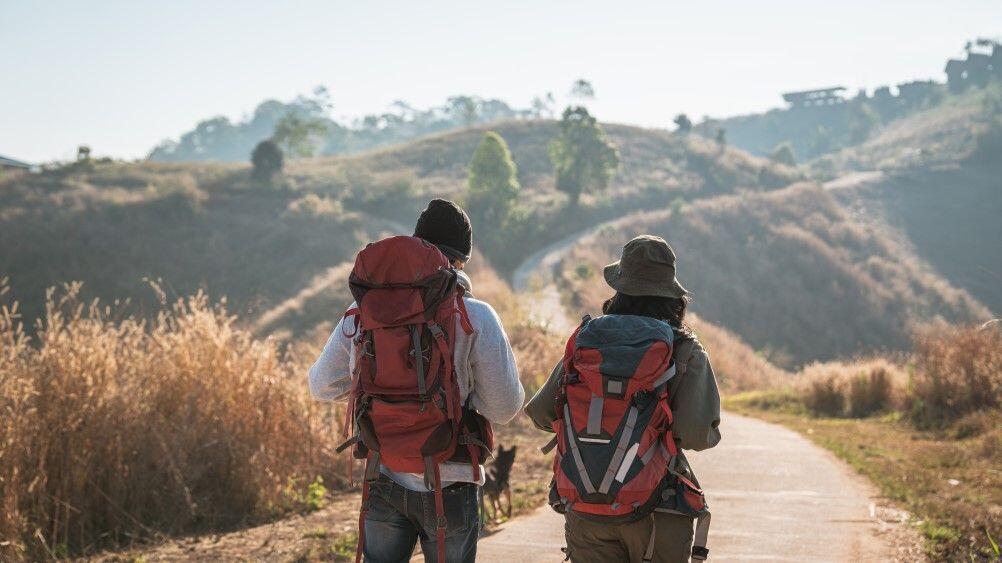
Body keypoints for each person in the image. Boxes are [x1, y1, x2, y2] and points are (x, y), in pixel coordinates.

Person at [309, 199, 524, 563]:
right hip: (452, 481)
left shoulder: (365, 310)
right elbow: (504, 408)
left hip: (384, 474)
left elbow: (321, 384)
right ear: (460, 262)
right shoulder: (475, 314)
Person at [525, 235, 721, 563]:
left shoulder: (588, 340)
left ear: (620, 288)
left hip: (586, 508)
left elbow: (542, 413)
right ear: (671, 295)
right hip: (659, 507)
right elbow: (697, 435)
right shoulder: (684, 351)